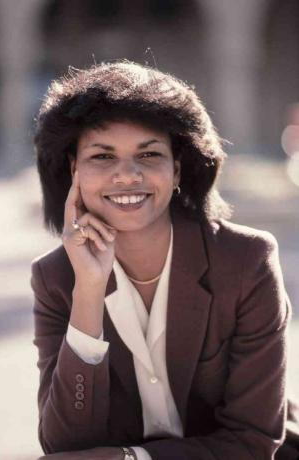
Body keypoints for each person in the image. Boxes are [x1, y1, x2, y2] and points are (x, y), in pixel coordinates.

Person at [31, 60, 299, 460]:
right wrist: (88, 291)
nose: (127, 175)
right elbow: (64, 446)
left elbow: (253, 441)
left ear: (176, 169)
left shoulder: (246, 262)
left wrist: (133, 459)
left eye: (149, 154)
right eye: (103, 157)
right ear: (75, 172)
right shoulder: (54, 278)